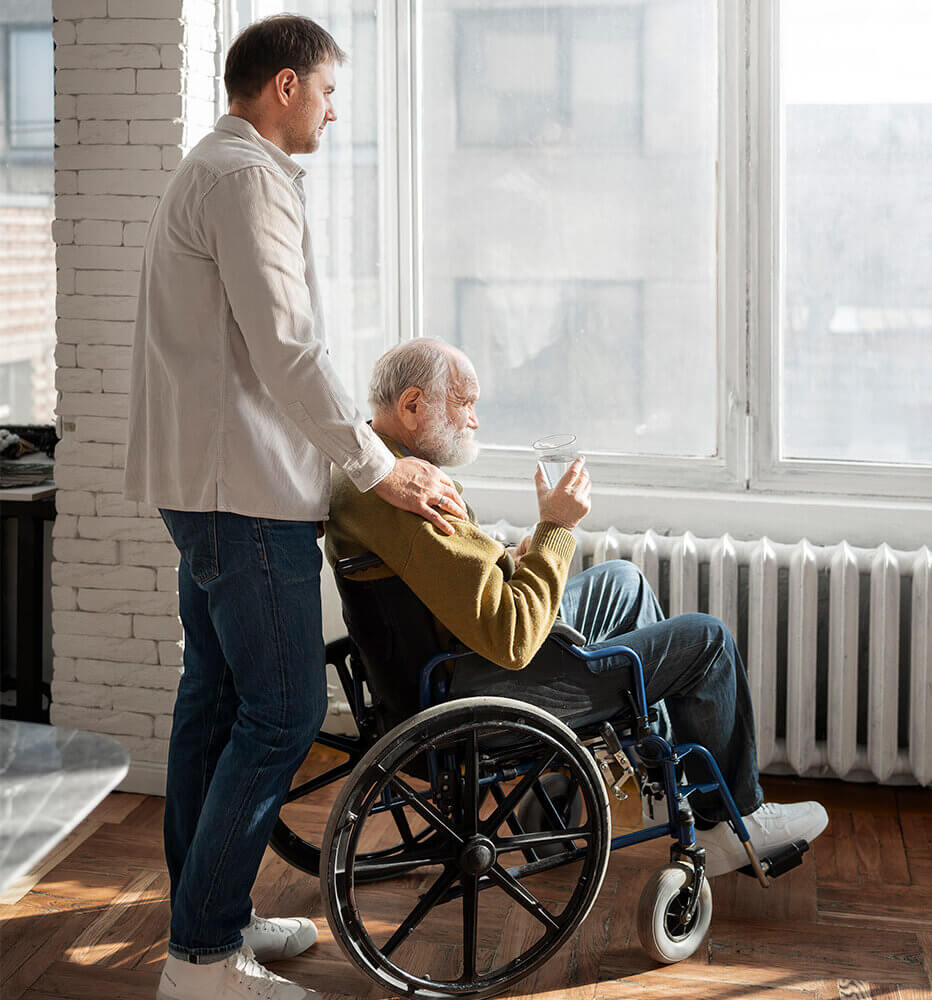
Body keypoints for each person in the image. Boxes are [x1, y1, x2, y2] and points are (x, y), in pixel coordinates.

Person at [124, 16, 468, 1000]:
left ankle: (208, 923)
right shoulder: (245, 179)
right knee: (281, 713)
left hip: (202, 489)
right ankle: (199, 964)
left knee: (217, 701)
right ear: (283, 85)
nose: (331, 108)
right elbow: (286, 347)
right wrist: (376, 464)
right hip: (241, 497)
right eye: (326, 90)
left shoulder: (212, 168)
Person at [325, 338, 829, 880]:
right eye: (465, 402)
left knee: (623, 581)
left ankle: (634, 786)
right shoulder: (409, 499)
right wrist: (557, 528)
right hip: (479, 687)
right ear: (413, 405)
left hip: (447, 661)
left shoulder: (378, 472)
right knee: (705, 641)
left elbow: (451, 580)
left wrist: (512, 555)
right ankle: (732, 821)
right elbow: (513, 635)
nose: (474, 420)